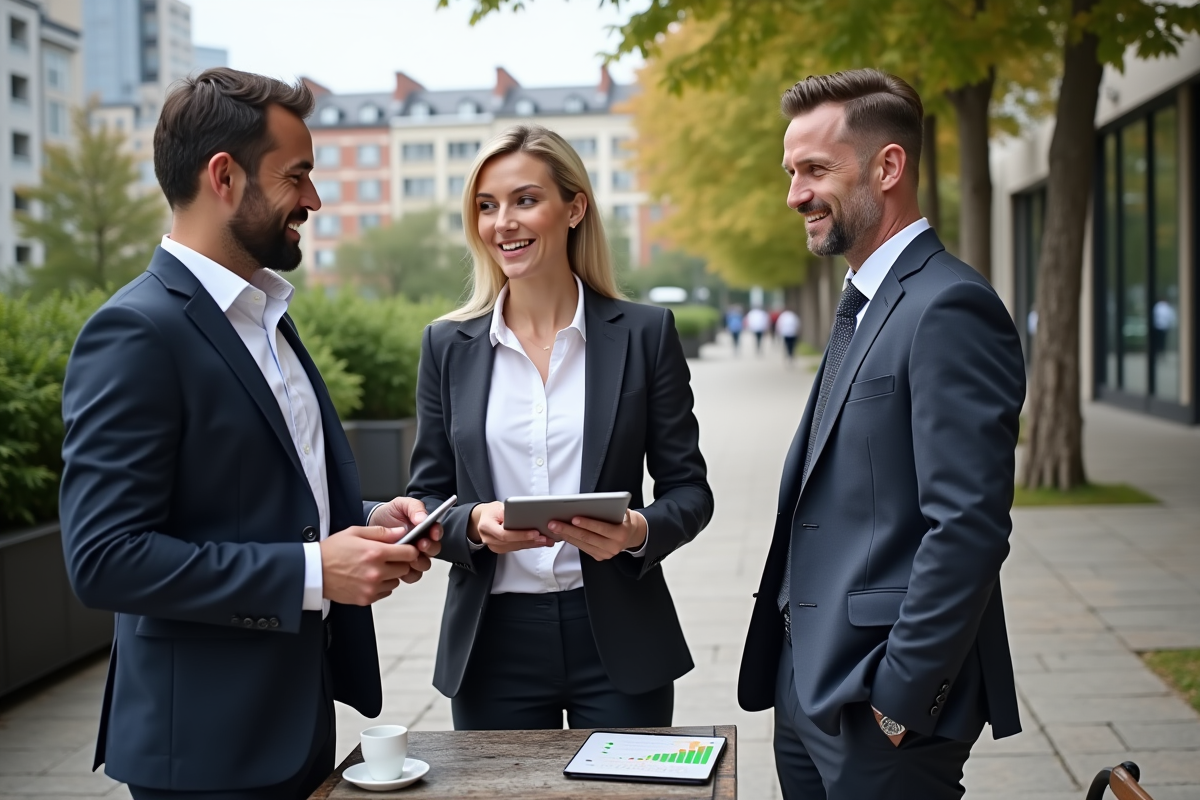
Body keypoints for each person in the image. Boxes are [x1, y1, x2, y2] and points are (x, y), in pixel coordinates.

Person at [59, 68, 442, 800]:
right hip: (204, 749)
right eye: (297, 175)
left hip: (296, 720)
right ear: (224, 176)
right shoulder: (135, 332)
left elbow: (260, 500)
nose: (315, 199)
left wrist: (367, 524)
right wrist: (311, 573)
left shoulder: (265, 317)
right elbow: (104, 558)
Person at [738, 69, 1025, 800]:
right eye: (791, 171)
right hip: (805, 684)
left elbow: (967, 525)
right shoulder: (864, 300)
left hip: (882, 706)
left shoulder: (950, 305)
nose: (794, 193)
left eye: (813, 170)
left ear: (887, 166)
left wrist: (902, 699)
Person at [407, 124, 713, 731]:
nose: (503, 223)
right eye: (487, 207)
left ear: (574, 208)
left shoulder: (646, 335)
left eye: (525, 200)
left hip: (621, 638)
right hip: (493, 645)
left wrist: (637, 531)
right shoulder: (448, 345)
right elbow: (425, 495)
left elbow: (691, 492)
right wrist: (469, 522)